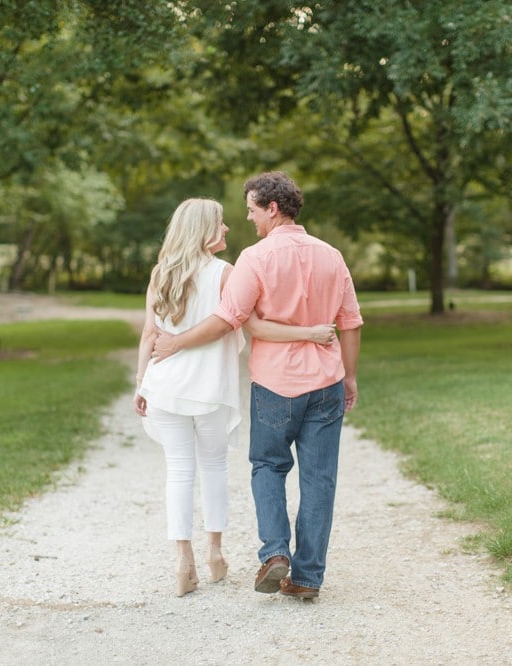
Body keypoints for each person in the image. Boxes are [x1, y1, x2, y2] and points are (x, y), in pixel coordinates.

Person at [152, 172, 363, 600]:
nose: (247, 218)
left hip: (274, 385)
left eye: (251, 210)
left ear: (272, 208)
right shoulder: (332, 256)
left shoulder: (255, 257)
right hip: (326, 383)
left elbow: (227, 317)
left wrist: (175, 342)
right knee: (320, 480)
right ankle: (306, 578)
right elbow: (351, 323)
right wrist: (350, 376)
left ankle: (274, 555)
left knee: (268, 467)